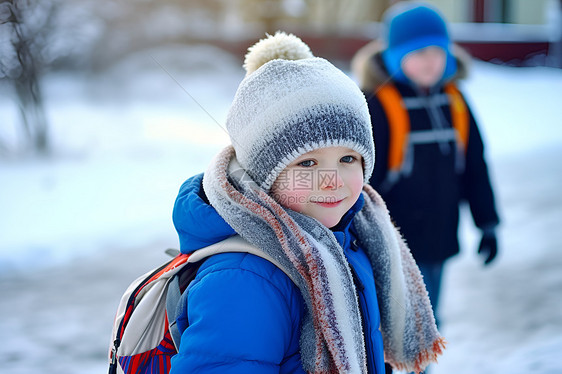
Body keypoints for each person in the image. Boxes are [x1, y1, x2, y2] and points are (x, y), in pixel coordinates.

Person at [169, 32, 445, 374]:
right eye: (307, 163)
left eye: (347, 158)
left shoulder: (353, 239)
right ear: (263, 174)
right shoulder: (244, 277)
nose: (333, 180)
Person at [351, 2, 501, 330]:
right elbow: (357, 174)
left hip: (438, 235)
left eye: (437, 51)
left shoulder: (455, 101)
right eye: (418, 53)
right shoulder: (375, 102)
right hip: (387, 240)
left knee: (428, 320)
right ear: (394, 56)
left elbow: (474, 164)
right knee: (387, 325)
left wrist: (487, 222)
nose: (430, 61)